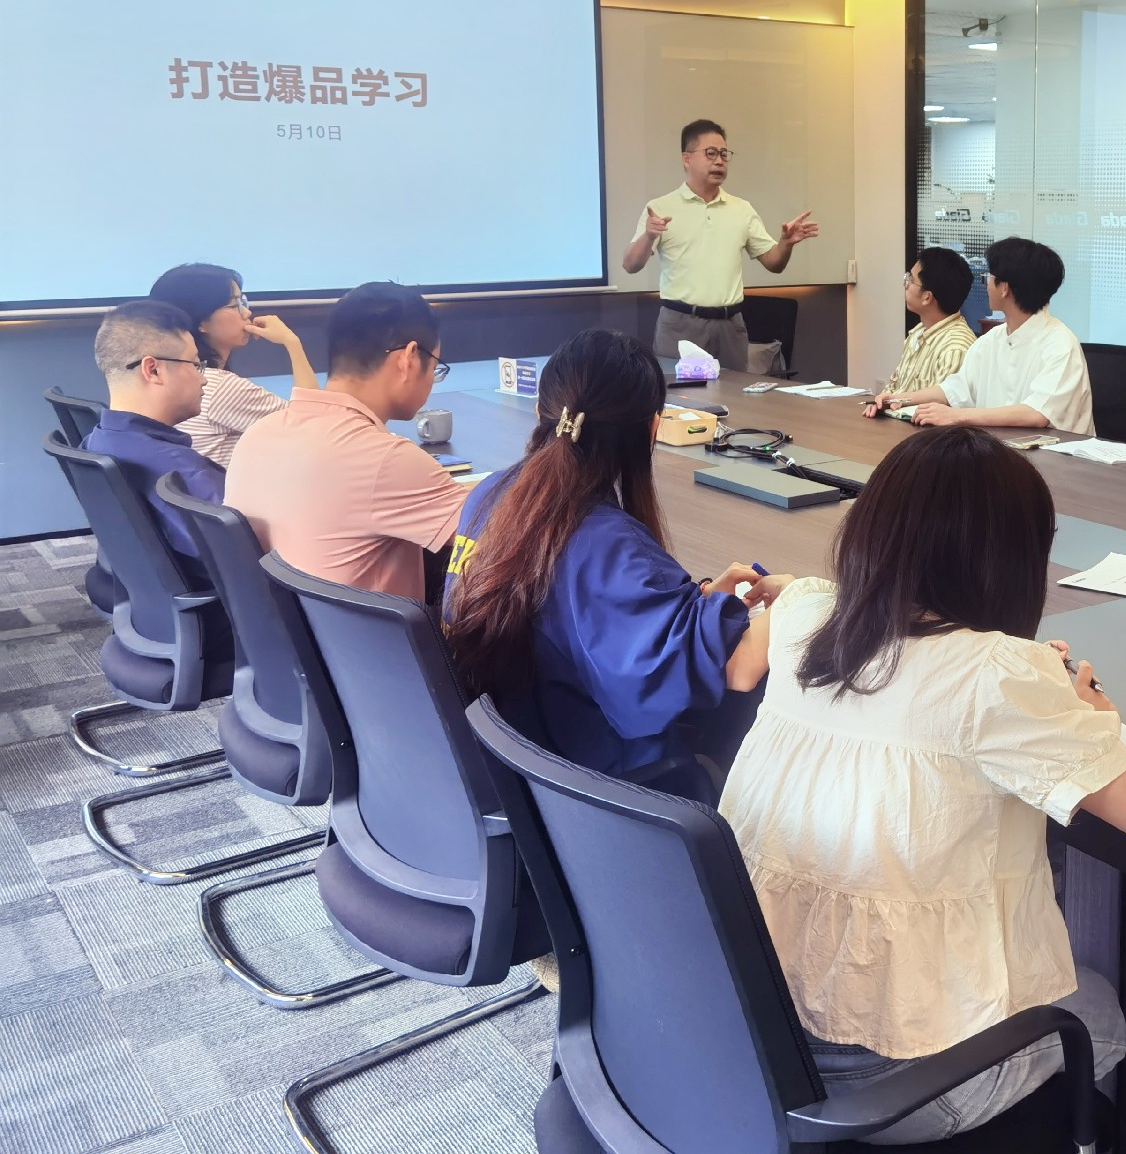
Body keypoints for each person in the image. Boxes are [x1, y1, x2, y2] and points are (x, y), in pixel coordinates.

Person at [719, 426, 1126, 1144]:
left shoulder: (803, 617)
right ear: (1013, 561)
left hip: (748, 1035)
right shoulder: (996, 675)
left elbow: (783, 629)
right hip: (891, 1085)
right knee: (1097, 1007)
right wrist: (1098, 719)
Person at [442, 329, 778, 782]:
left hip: (520, 766)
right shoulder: (610, 545)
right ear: (653, 428)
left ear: (540, 412)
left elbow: (580, 607)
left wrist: (687, 607)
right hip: (602, 788)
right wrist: (800, 598)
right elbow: (739, 668)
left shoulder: (486, 495)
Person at [225, 282, 467, 602]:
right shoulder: (386, 459)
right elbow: (502, 532)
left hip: (293, 629)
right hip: (382, 635)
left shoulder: (258, 434)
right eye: (435, 367)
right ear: (408, 358)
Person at [81, 299, 234, 660]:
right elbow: (248, 559)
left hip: (157, 620)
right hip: (227, 628)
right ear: (153, 369)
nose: (203, 377)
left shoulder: (98, 441)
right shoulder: (178, 471)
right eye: (196, 364)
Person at [622, 118, 821, 370]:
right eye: (711, 153)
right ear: (687, 159)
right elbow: (630, 265)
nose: (719, 161)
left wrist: (786, 243)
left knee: (735, 394)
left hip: (730, 325)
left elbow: (774, 263)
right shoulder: (660, 207)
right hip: (680, 324)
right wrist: (649, 235)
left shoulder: (742, 209)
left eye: (724, 154)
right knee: (683, 395)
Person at [869, 238, 1093, 434]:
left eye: (989, 277)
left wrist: (956, 416)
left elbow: (1036, 413)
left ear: (1004, 288)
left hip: (1057, 460)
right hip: (1001, 452)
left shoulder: (1060, 344)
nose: (986, 284)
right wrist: (899, 399)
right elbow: (955, 389)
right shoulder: (992, 340)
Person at [148, 262, 318, 466]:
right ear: (201, 321)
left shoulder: (170, 377)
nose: (246, 313)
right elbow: (313, 428)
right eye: (234, 305)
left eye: (243, 302)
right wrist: (292, 343)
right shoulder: (217, 387)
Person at [867, 246, 977, 406]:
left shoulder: (955, 349)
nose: (905, 284)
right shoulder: (918, 332)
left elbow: (939, 409)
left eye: (910, 280)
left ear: (927, 297)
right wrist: (881, 402)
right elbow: (895, 387)